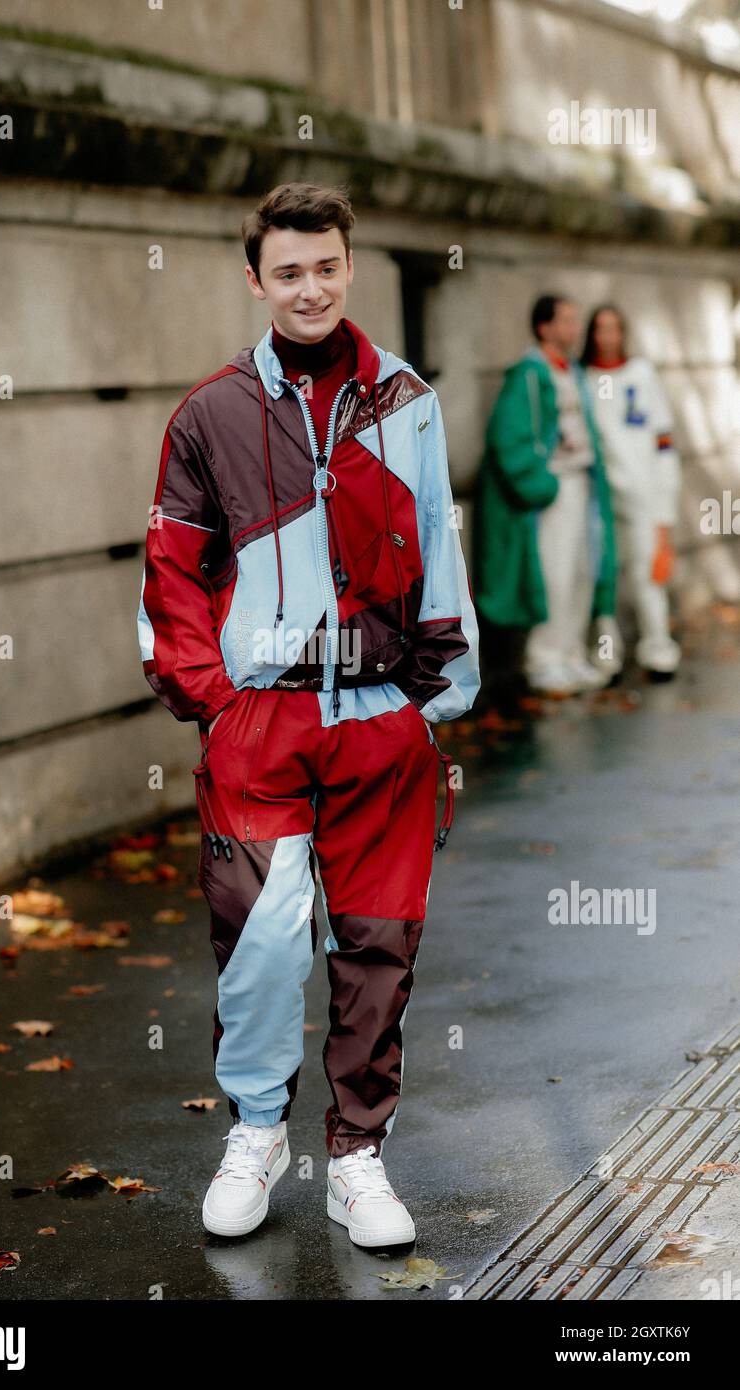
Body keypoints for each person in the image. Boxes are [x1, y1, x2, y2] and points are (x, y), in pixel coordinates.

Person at [137, 182, 480, 1246]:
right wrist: (211, 701)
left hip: (381, 713)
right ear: (255, 280)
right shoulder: (208, 414)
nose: (309, 287)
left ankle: (357, 1155)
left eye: (325, 265)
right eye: (286, 271)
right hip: (259, 723)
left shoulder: (404, 399)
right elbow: (171, 572)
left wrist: (437, 698)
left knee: (377, 944)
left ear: (347, 265)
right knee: (262, 942)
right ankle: (254, 1133)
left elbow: (438, 544)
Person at [473, 294, 617, 698]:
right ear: (544, 327)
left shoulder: (571, 370)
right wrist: (543, 485)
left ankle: (571, 654)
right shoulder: (528, 375)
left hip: (582, 485)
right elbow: (509, 439)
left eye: (575, 320)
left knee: (582, 570)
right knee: (553, 574)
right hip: (553, 490)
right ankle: (544, 659)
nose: (574, 329)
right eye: (565, 321)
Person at [581, 304, 682, 679]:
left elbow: (663, 439)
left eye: (614, 329)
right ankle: (607, 654)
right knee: (603, 574)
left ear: (623, 334)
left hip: (643, 492)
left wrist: (665, 504)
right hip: (601, 494)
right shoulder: (585, 378)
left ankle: (658, 650)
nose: (607, 337)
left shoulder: (642, 374)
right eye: (600, 329)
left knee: (647, 573)